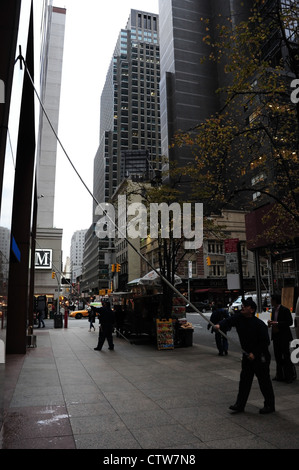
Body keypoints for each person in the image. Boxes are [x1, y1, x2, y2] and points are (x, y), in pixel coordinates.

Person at [214, 297, 275, 414]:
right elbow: (228, 321)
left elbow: (265, 342)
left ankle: (269, 405)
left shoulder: (259, 324)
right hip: (247, 356)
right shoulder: (239, 318)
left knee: (264, 381)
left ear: (251, 310)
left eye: (245, 306)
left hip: (260, 356)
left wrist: (254, 353)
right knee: (244, 381)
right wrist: (219, 325)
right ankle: (240, 404)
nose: (243, 307)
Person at [268, 294, 294, 383]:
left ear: (275, 301)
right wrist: (271, 323)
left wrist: (278, 323)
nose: (270, 302)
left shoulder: (285, 310)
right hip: (276, 336)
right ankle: (279, 375)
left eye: (271, 300)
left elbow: (290, 322)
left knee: (286, 356)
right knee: (277, 356)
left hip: (284, 336)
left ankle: (289, 376)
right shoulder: (273, 310)